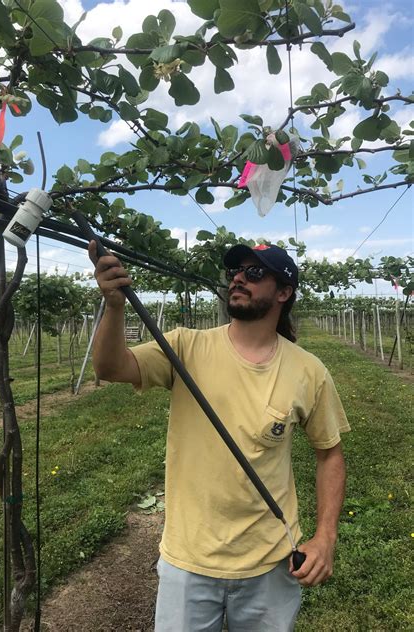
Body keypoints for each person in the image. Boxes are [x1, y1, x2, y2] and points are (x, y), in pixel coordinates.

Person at [88, 240, 350, 632]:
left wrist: (325, 537)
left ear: (284, 292)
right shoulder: (183, 347)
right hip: (188, 560)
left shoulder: (309, 371)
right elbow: (110, 367)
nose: (239, 279)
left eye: (255, 273)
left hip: (271, 563)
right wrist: (113, 305)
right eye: (235, 273)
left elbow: (330, 454)